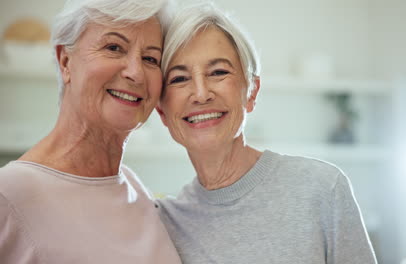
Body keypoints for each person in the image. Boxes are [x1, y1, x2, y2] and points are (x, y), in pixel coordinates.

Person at [155, 3, 377, 264]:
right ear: (162, 112)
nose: (201, 93)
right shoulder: (165, 223)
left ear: (251, 92)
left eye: (218, 72)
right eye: (179, 78)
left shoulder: (322, 188)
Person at [0, 0, 181, 263]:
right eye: (114, 47)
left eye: (151, 58)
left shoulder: (136, 190)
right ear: (65, 61)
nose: (136, 73)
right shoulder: (9, 193)